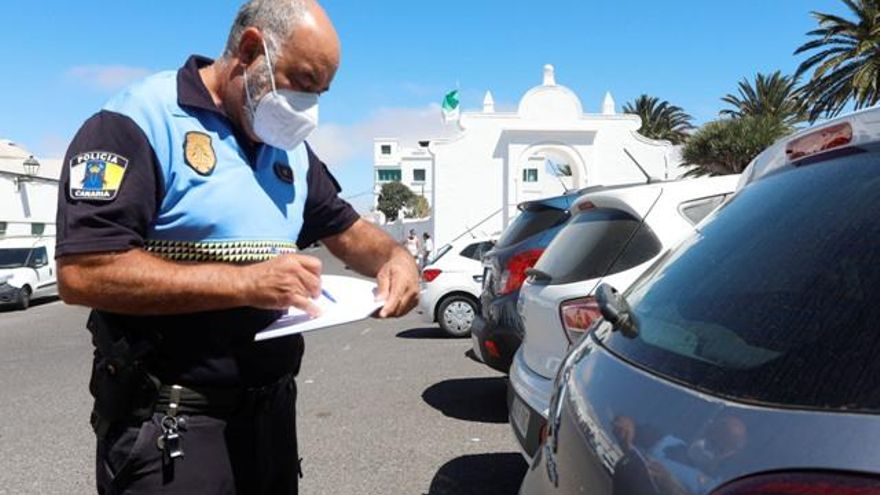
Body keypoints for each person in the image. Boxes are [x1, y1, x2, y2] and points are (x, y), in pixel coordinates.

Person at [54, 1, 419, 494]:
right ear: (250, 50)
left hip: (269, 419)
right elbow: (83, 272)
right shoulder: (136, 122)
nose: (308, 105)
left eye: (320, 92)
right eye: (303, 81)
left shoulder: (288, 147)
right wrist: (244, 282)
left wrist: (396, 259)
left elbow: (349, 230)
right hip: (172, 425)